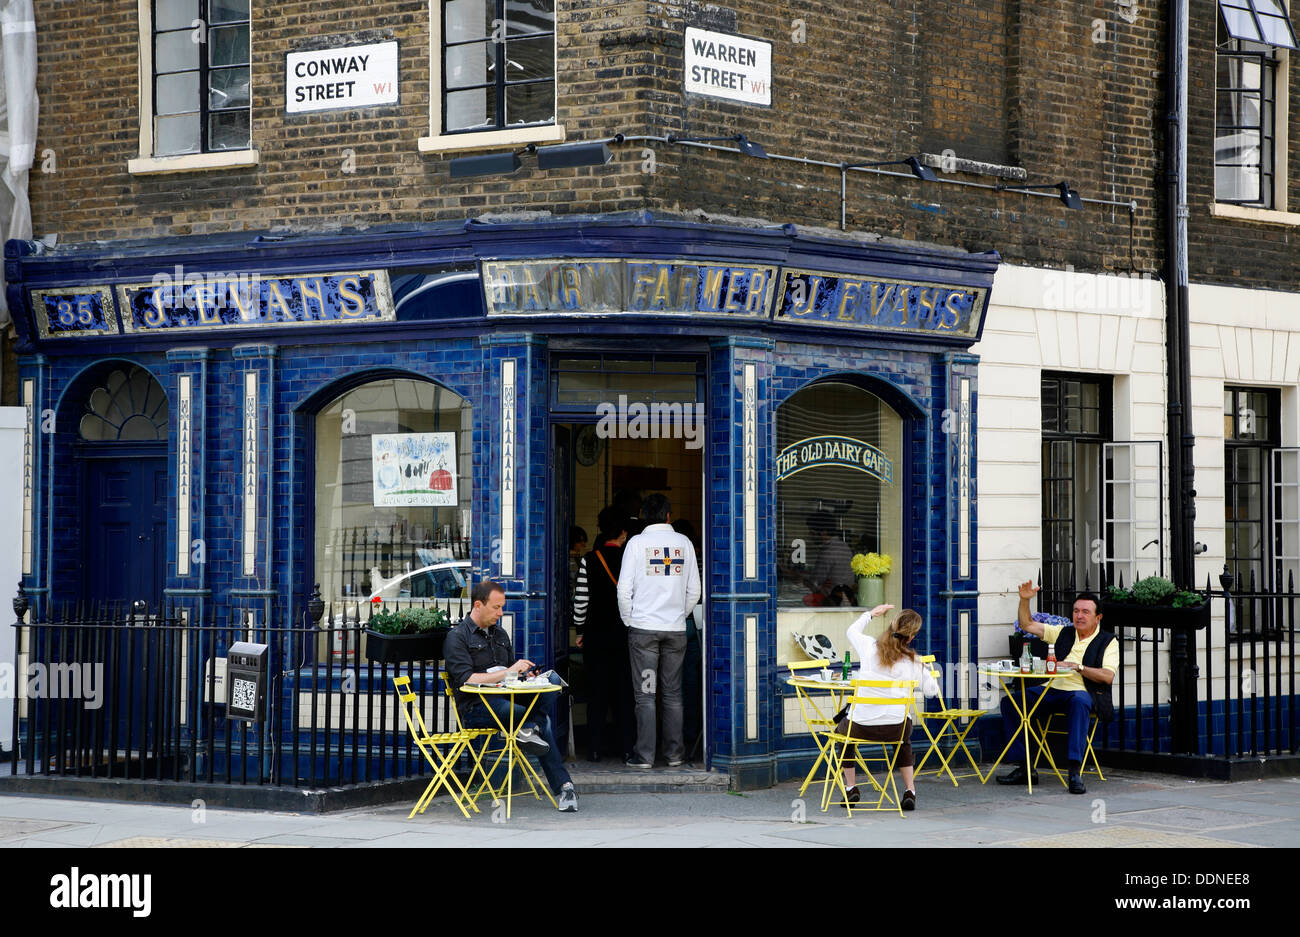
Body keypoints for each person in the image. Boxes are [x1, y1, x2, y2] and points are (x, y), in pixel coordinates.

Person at [443, 579, 578, 812]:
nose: (501, 612)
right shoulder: (458, 637)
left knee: (553, 681)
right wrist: (509, 671)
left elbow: (509, 678)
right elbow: (467, 679)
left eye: (502, 607)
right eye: (496, 607)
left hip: (507, 697)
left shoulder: (500, 633)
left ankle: (528, 730)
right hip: (478, 706)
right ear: (478, 605)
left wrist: (527, 676)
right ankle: (564, 787)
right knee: (535, 718)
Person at [996, 581, 1118, 794]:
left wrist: (1078, 667)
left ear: (1098, 617)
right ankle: (1025, 767)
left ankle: (1074, 772)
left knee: (1080, 702)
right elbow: (1027, 625)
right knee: (1012, 702)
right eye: (1076, 611)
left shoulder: (1108, 641)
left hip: (1082, 691)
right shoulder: (1064, 632)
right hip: (1052, 689)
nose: (1079, 616)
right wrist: (1025, 600)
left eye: (1085, 612)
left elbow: (1107, 676)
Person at [617, 493, 701, 768]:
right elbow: (694, 591)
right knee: (673, 694)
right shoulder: (684, 543)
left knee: (645, 694)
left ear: (643, 516)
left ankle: (644, 756)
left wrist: (631, 620)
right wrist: (680, 615)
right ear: (668, 515)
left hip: (644, 631)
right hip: (675, 631)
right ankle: (675, 755)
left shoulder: (636, 544)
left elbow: (623, 590)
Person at [837, 605, 940, 811]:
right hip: (896, 729)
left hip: (860, 727)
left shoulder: (868, 646)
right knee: (903, 740)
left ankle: (851, 788)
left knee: (842, 733)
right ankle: (910, 790)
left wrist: (870, 614)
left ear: (892, 626)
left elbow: (851, 631)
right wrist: (925, 671)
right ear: (911, 638)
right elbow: (932, 691)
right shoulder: (914, 661)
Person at [572, 506, 635, 762]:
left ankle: (595, 748)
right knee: (624, 694)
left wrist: (580, 629)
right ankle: (627, 748)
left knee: (597, 694)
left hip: (596, 636)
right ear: (623, 532)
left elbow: (581, 600)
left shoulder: (590, 559)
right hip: (625, 636)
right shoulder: (631, 559)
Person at [805, 512, 855, 606]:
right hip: (847, 600)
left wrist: (800, 578)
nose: (809, 535)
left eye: (812, 532)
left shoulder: (827, 552)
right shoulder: (844, 546)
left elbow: (815, 583)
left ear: (823, 532)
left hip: (832, 603)